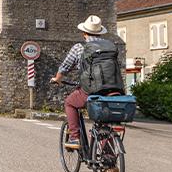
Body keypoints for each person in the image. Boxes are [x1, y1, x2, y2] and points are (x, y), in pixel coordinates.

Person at [50, 15, 122, 149]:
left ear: (84, 33)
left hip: (90, 90)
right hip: (113, 90)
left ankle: (74, 137)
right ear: (100, 33)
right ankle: (109, 160)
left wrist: (57, 79)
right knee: (104, 120)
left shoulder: (80, 47)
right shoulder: (110, 47)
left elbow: (65, 67)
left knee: (70, 103)